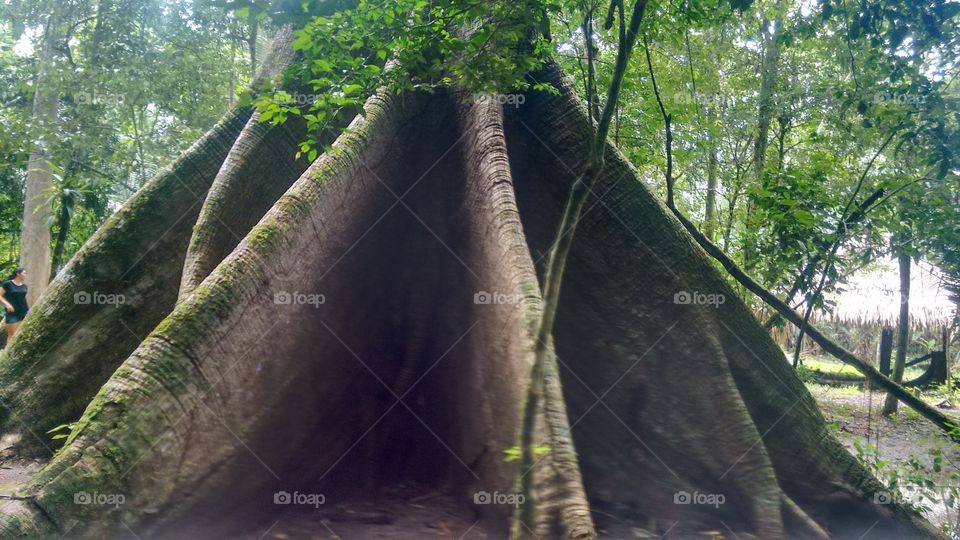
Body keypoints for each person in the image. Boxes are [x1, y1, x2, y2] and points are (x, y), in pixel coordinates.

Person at [1, 268, 29, 342]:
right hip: (12, 313)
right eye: (24, 273)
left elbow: (24, 298)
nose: (26, 275)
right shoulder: (7, 284)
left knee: (25, 333)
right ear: (18, 274)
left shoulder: (25, 286)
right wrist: (7, 304)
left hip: (24, 312)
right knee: (11, 334)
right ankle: (7, 353)